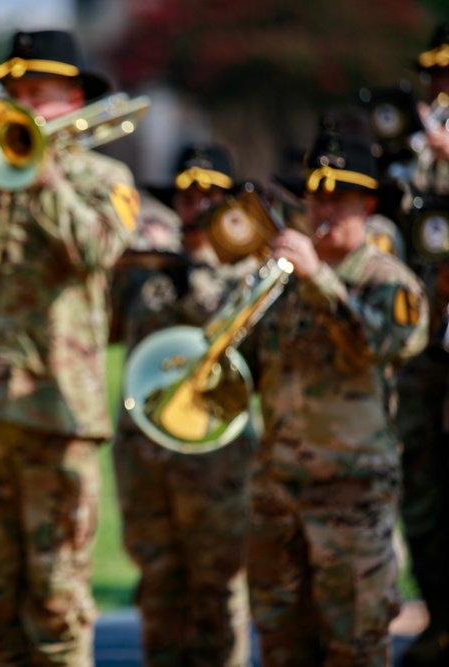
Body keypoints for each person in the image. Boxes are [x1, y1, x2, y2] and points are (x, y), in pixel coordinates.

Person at [0, 29, 138, 667]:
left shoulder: (106, 177)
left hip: (58, 415)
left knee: (57, 598)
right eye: (14, 94)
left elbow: (97, 250)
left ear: (73, 98)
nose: (21, 106)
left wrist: (40, 176)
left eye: (37, 94)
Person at [246, 129, 429, 666]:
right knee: (283, 648)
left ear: (367, 206)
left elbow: (375, 347)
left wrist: (318, 278)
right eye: (315, 197)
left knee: (355, 646)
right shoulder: (279, 278)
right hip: (278, 492)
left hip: (351, 493)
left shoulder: (387, 281)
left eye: (338, 200)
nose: (323, 210)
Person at [110, 144, 257, 667]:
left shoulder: (248, 268)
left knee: (215, 585)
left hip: (214, 451)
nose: (197, 204)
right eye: (187, 193)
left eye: (210, 193)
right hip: (144, 446)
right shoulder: (146, 262)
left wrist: (195, 269)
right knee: (157, 579)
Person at [391, 24, 449, 667]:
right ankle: (438, 618)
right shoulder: (409, 150)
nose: (442, 91)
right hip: (422, 346)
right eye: (435, 78)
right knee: (422, 492)